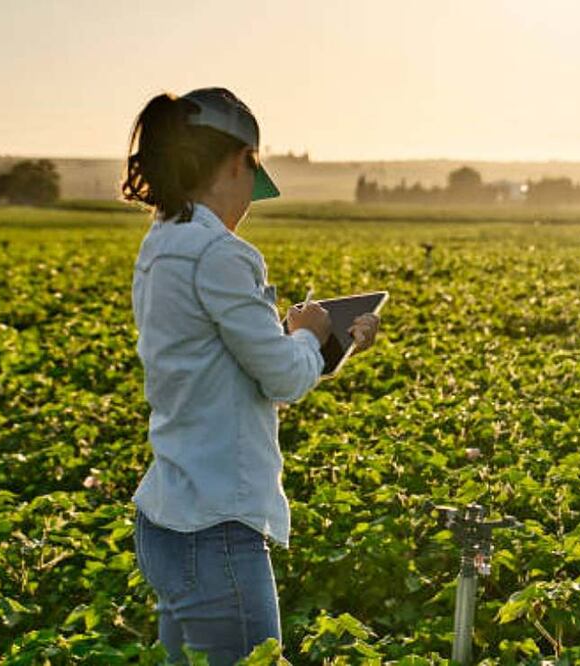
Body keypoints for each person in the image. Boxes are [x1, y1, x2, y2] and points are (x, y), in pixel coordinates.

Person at [121, 87, 380, 664]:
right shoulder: (224, 253)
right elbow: (285, 380)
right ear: (240, 162)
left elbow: (244, 374)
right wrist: (310, 332)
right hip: (215, 529)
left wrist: (321, 346)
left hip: (169, 518)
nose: (248, 203)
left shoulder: (161, 244)